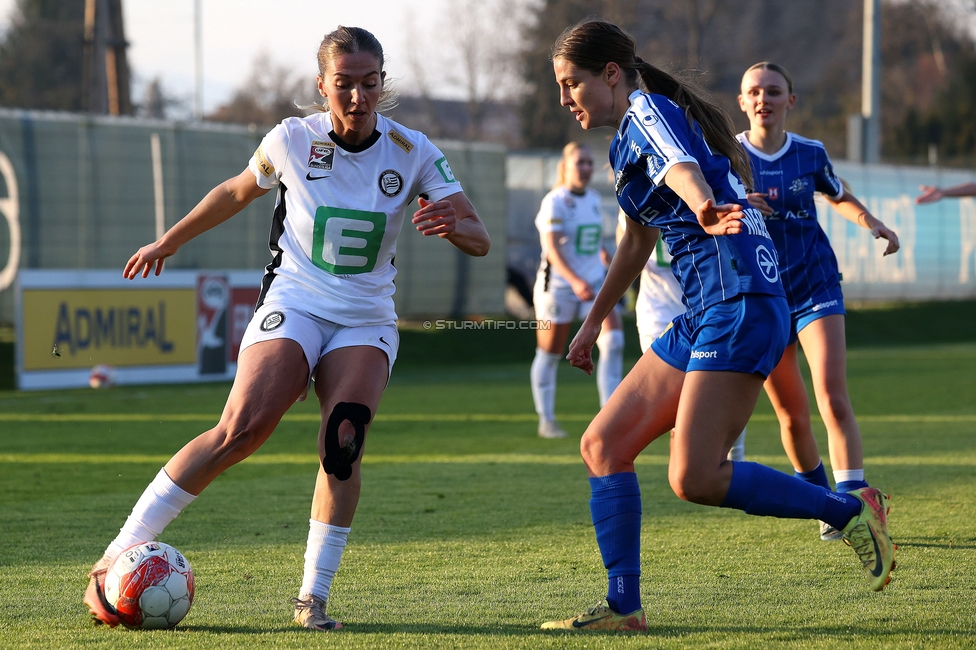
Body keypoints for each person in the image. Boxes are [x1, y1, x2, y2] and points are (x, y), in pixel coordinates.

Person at [83, 26, 490, 632]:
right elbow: (235, 190)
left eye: (369, 83)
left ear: (383, 84)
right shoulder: (293, 139)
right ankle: (116, 556)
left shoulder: (415, 151)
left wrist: (448, 224)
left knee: (342, 441)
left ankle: (312, 598)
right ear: (322, 85)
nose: (357, 96)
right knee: (241, 430)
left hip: (366, 315)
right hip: (295, 301)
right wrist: (168, 240)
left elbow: (479, 238)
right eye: (344, 84)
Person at [541, 19, 895, 632]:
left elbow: (682, 168)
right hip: (712, 309)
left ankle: (847, 511)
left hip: (740, 304)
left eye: (572, 83)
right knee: (602, 445)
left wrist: (703, 204)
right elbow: (636, 242)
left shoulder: (646, 110)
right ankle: (625, 607)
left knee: (695, 476)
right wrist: (592, 322)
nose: (565, 98)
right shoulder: (627, 137)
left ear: (612, 74)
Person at [737, 62, 900, 541]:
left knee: (831, 394)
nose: (763, 99)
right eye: (754, 92)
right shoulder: (725, 156)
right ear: (742, 102)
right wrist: (740, 203)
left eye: (773, 91)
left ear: (791, 100)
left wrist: (872, 222)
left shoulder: (809, 153)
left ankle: (857, 496)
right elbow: (707, 209)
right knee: (791, 412)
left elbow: (836, 193)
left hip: (815, 286)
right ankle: (824, 503)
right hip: (764, 293)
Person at [616, 208, 746, 461]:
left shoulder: (708, 192)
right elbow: (628, 248)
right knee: (679, 406)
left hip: (709, 309)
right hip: (659, 313)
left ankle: (733, 464)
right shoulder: (637, 198)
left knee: (723, 394)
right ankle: (686, 478)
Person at [531, 142, 624, 439]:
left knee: (615, 341)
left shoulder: (595, 199)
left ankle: (609, 416)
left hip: (594, 284)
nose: (585, 168)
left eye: (588, 163)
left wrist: (603, 255)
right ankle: (546, 420)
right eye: (579, 163)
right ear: (566, 166)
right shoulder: (555, 201)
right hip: (559, 288)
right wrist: (574, 280)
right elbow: (552, 249)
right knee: (550, 353)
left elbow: (589, 240)